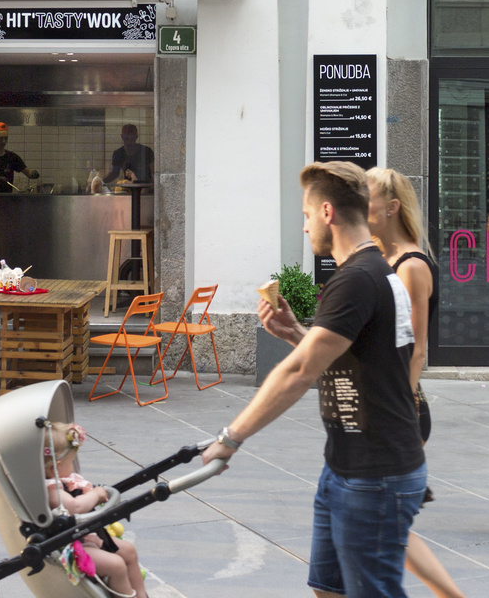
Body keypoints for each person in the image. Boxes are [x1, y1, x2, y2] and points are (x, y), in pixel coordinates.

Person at [202, 161, 425, 598]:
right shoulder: (372, 271)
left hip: (375, 473)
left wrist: (231, 437)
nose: (305, 228)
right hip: (346, 463)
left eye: (306, 216)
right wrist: (294, 334)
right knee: (329, 589)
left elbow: (300, 372)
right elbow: (354, 358)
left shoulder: (359, 278)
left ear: (327, 213)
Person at [368, 168, 463, 598]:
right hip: (388, 403)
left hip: (403, 407)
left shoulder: (411, 266)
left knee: (387, 521)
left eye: (365, 200)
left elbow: (418, 350)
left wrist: (397, 413)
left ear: (390, 208)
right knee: (387, 520)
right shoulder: (380, 257)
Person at [44, 421, 147, 598]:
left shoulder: (63, 480)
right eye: (70, 462)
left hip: (84, 537)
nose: (73, 467)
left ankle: (141, 595)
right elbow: (74, 507)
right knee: (116, 565)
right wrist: (96, 495)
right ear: (55, 467)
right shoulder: (51, 488)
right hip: (70, 546)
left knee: (128, 551)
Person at [0, 122, 38, 192]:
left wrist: (33, 174)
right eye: (0, 138)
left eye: (5, 138)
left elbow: (28, 172)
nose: (3, 141)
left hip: (9, 198)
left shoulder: (11, 157)